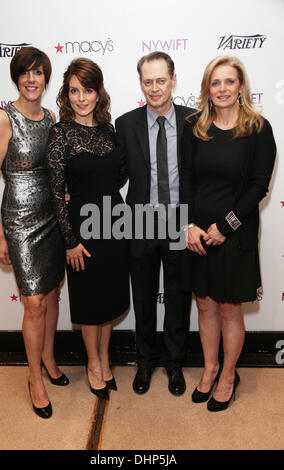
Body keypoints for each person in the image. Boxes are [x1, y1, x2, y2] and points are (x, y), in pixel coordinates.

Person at [181, 56, 276, 411]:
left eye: (229, 82)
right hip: (197, 234)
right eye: (215, 82)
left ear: (240, 87)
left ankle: (228, 375)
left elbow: (258, 188)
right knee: (204, 305)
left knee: (229, 309)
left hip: (235, 234)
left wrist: (226, 226)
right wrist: (189, 226)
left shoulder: (258, 129)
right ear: (207, 88)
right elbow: (186, 179)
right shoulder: (196, 127)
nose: (222, 89)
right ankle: (210, 368)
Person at [0, 47, 68, 420]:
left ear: (46, 79)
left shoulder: (51, 117)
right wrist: (0, 236)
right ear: (17, 77)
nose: (32, 79)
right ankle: (34, 378)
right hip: (19, 221)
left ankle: (49, 358)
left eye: (39, 73)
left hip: (51, 217)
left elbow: (55, 168)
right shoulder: (3, 118)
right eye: (25, 73)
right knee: (33, 303)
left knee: (51, 293)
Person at [46, 58, 129, 400]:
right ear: (67, 93)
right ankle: (93, 363)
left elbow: (118, 174)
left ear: (99, 93)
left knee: (108, 300)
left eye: (88, 90)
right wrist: (70, 240)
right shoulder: (60, 132)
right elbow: (55, 190)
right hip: (81, 227)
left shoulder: (109, 130)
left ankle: (105, 359)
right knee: (89, 302)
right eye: (74, 90)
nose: (81, 98)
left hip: (114, 223)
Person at [115, 52, 193, 396]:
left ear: (173, 80)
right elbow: (113, 173)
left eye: (161, 80)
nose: (155, 88)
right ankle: (145, 360)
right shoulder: (125, 124)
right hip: (141, 221)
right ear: (141, 83)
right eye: (148, 81)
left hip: (180, 220)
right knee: (144, 297)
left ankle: (175, 362)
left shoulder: (195, 121)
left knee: (178, 296)